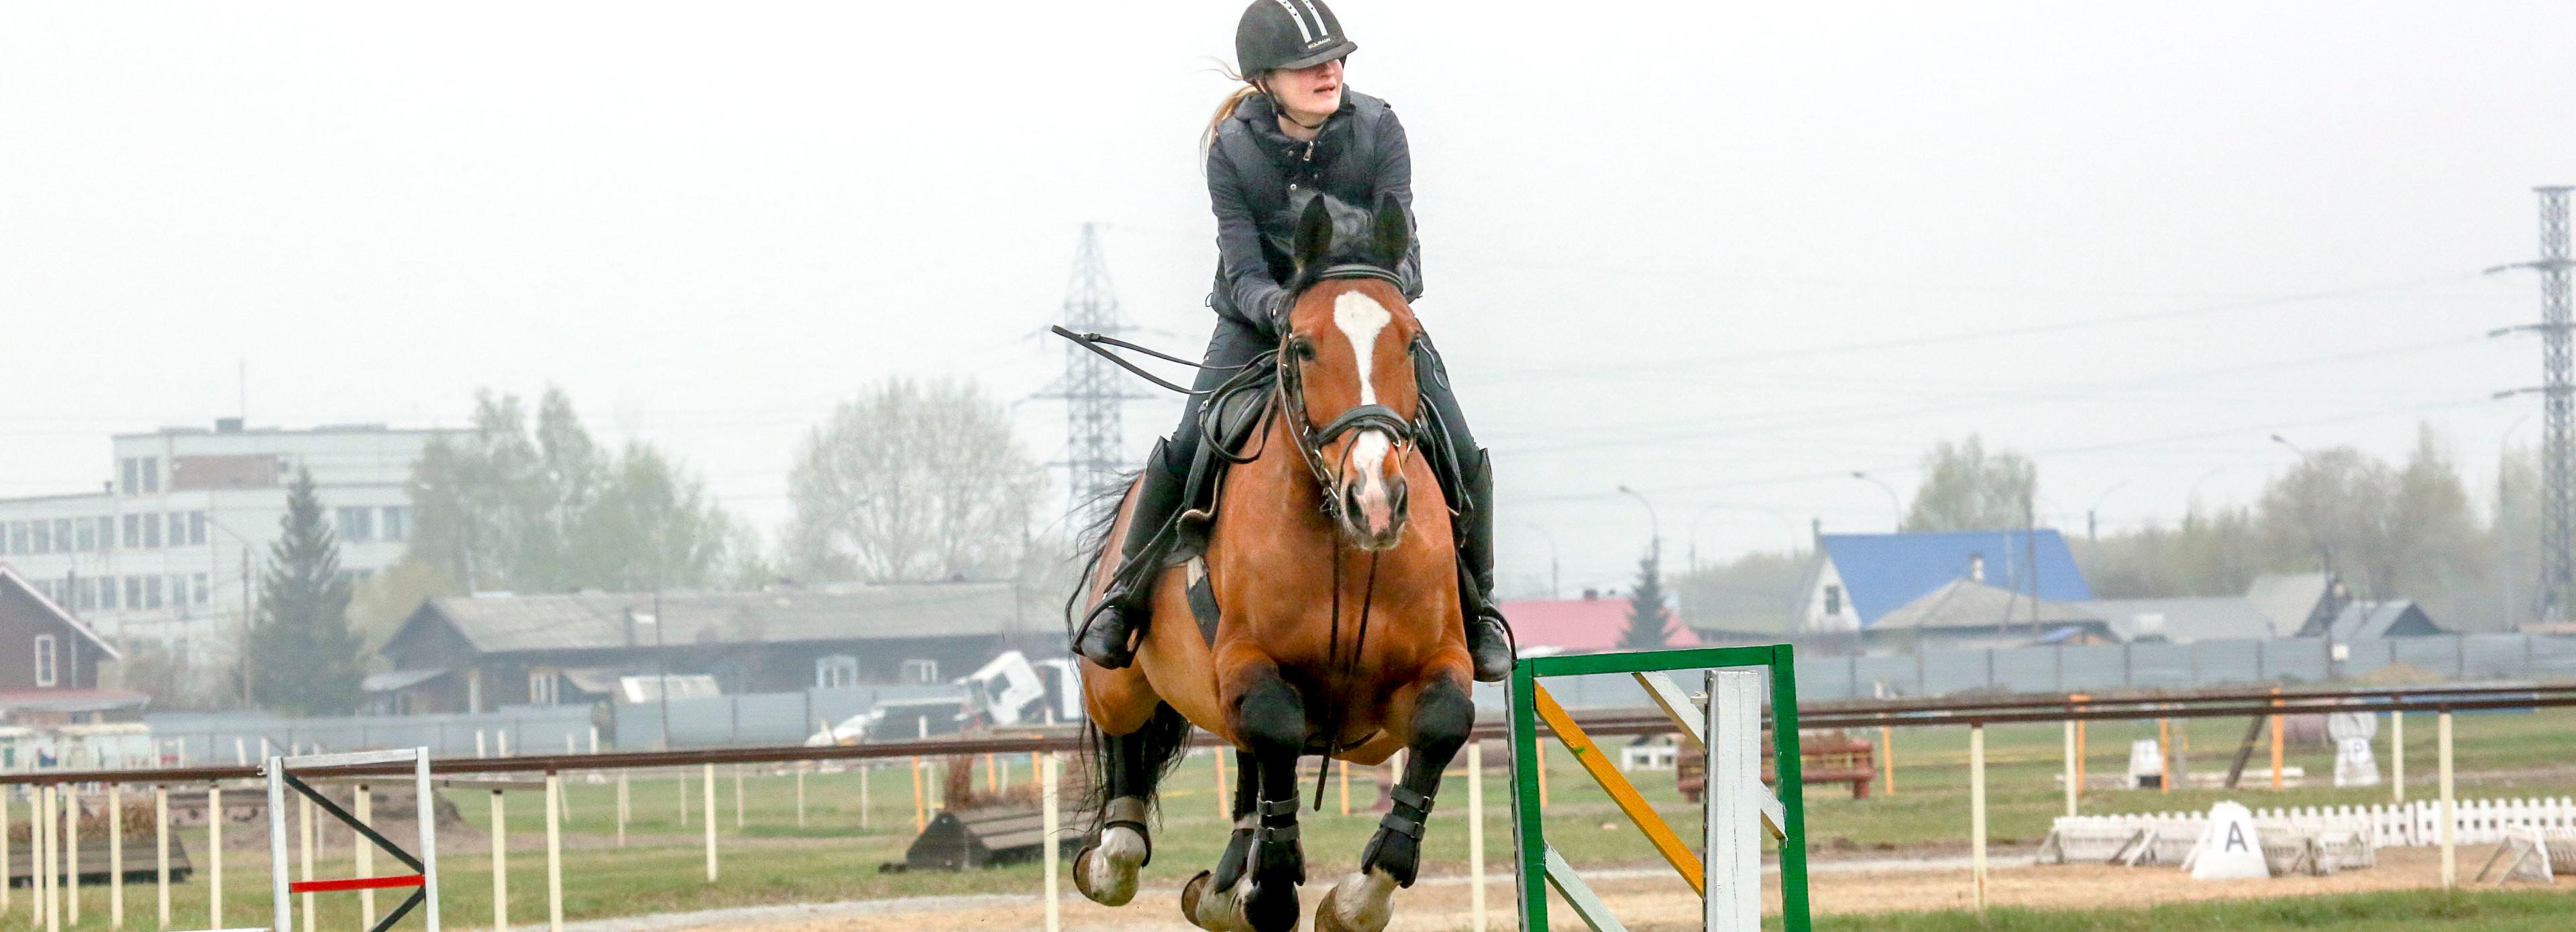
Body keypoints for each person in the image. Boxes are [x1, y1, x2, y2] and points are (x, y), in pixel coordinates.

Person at [1074, 0, 1513, 682]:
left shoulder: (1379, 128)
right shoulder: (1233, 149)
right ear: (1265, 81)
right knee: (1188, 442)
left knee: (1458, 443)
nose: (1329, 72)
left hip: (1368, 319)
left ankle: (1480, 609)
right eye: (1309, 65)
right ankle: (1125, 599)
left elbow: (1405, 251)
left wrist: (1364, 301)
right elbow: (1244, 269)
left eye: (1335, 59)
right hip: (1261, 322)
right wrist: (1286, 310)